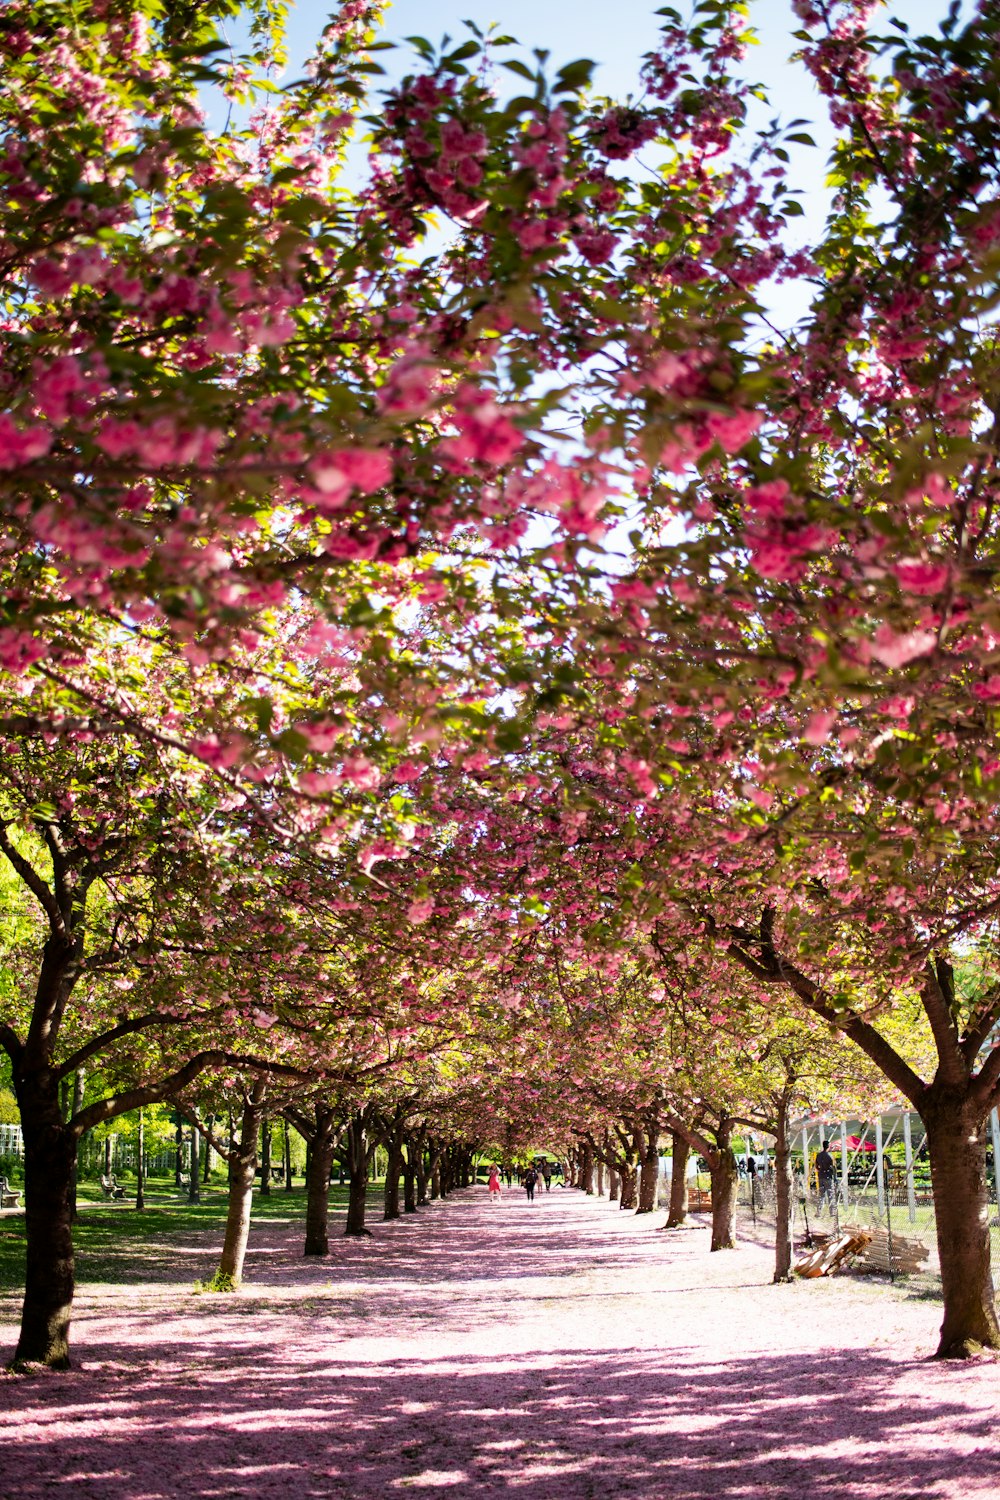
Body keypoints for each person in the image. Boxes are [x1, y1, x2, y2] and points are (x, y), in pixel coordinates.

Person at [815, 1140, 836, 1213]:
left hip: (821, 1176)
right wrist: (835, 1178)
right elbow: (833, 1167)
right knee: (830, 1194)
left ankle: (819, 1211)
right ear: (829, 1146)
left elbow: (816, 1166)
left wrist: (820, 1170)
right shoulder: (830, 1155)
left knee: (821, 1195)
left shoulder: (818, 1155)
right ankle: (832, 1211)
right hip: (828, 1176)